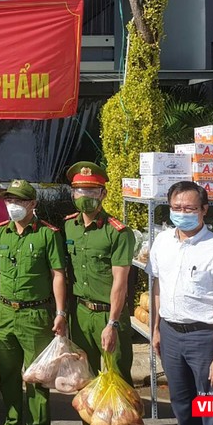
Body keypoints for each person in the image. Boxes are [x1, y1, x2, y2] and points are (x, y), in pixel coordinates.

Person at [0, 179, 67, 425]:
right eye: (10, 200)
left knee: (37, 376)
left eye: (19, 201)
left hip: (36, 315)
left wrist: (60, 312)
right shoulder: (0, 232)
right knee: (8, 375)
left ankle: (37, 424)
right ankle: (13, 422)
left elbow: (58, 274)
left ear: (33, 203)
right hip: (4, 314)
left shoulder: (48, 234)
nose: (13, 205)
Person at [150, 182, 213, 425]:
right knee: (181, 403)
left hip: (205, 337)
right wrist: (156, 329)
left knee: (211, 406)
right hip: (170, 334)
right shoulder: (162, 242)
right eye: (176, 207)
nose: (182, 213)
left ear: (204, 210)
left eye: (190, 208)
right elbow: (159, 286)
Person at [63, 161, 135, 384]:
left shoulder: (118, 232)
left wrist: (112, 323)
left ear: (103, 194)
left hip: (109, 314)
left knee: (118, 378)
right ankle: (90, 421)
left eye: (92, 191)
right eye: (80, 191)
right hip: (81, 313)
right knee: (85, 377)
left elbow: (120, 283)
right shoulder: (68, 226)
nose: (85, 196)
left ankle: (126, 421)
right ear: (73, 194)